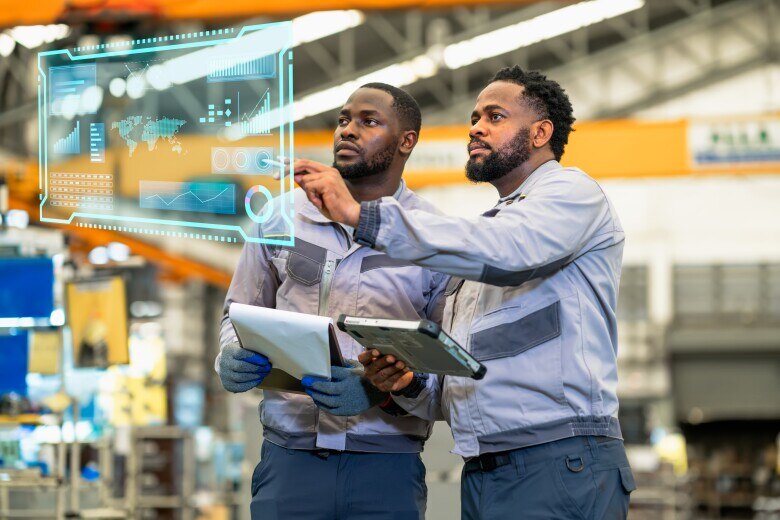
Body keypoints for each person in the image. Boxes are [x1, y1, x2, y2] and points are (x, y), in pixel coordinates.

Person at [293, 66, 636, 519]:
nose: (475, 127)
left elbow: (511, 252)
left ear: (540, 132)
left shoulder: (571, 195)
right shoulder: (482, 242)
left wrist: (364, 216)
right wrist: (407, 381)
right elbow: (458, 383)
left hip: (559, 459)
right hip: (487, 469)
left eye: (495, 117)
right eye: (475, 117)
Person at [215, 83, 449, 519]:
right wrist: (228, 354)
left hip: (388, 466)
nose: (348, 130)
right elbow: (238, 311)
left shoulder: (430, 236)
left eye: (369, 121)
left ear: (407, 141)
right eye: (343, 119)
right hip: (289, 459)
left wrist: (380, 392)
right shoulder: (281, 217)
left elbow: (446, 364)